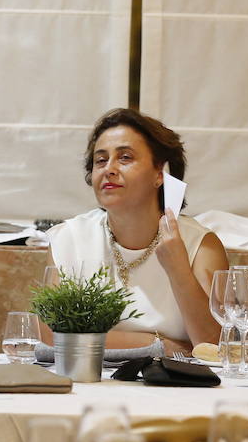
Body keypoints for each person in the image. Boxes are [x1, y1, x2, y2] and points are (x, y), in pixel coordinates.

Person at [46, 108, 229, 355]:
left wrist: (178, 270)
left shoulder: (201, 244)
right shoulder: (70, 238)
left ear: (159, 174)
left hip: (178, 388)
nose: (109, 169)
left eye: (125, 158)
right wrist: (161, 346)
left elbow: (218, 346)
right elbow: (52, 335)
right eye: (100, 160)